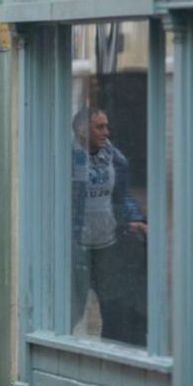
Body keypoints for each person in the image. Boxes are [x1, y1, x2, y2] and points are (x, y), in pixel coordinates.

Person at [71, 107, 148, 346]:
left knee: (113, 305)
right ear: (82, 130)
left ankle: (112, 353)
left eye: (107, 126)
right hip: (76, 246)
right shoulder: (67, 157)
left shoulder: (115, 157)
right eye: (100, 127)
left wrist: (136, 220)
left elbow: (121, 196)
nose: (107, 132)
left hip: (108, 244)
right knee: (72, 309)